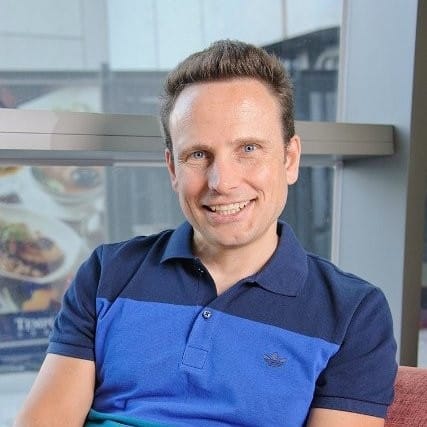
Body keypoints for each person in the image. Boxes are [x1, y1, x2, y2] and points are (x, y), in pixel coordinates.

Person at [15, 40, 397, 427]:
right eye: (198, 154)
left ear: (290, 159)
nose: (222, 182)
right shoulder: (107, 272)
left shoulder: (353, 312)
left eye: (248, 148)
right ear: (172, 168)